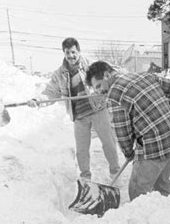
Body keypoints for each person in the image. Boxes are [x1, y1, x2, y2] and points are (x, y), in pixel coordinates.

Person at [85, 61, 170, 201]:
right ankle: (165, 216)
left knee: (138, 191)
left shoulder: (114, 96)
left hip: (154, 147)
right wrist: (164, 110)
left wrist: (129, 152)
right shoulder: (143, 76)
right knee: (161, 186)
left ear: (107, 74)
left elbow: (122, 132)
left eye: (99, 85)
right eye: (96, 89)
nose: (99, 91)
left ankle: (146, 220)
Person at [27, 37, 120, 181]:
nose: (71, 56)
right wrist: (37, 100)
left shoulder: (90, 66)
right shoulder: (59, 74)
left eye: (73, 52)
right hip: (79, 116)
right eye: (67, 53)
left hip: (98, 110)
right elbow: (50, 92)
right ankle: (85, 179)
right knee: (82, 150)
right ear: (64, 54)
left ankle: (115, 173)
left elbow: (109, 75)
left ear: (79, 51)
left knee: (109, 143)